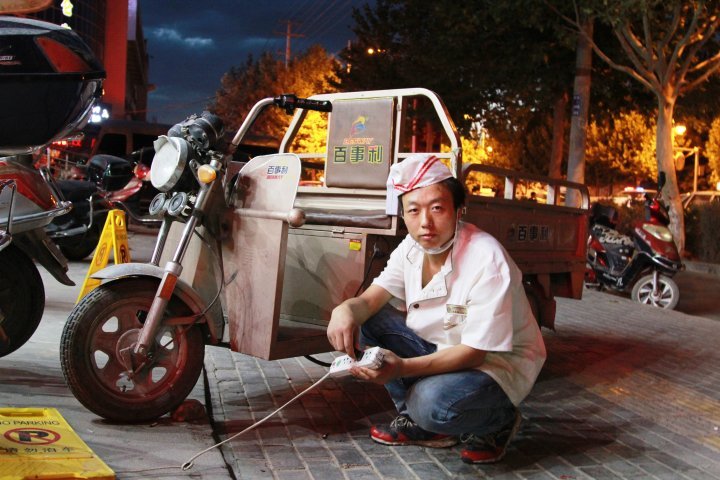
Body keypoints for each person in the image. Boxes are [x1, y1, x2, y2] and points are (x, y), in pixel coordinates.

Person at [327, 153, 546, 464]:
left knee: (431, 403)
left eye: (437, 208)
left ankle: (499, 419)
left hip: (493, 363)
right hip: (443, 346)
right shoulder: (410, 248)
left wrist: (401, 367)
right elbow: (371, 300)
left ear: (459, 211)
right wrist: (345, 310)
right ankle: (423, 426)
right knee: (367, 321)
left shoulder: (487, 259)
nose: (425, 223)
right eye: (413, 211)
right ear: (403, 216)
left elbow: (474, 352)